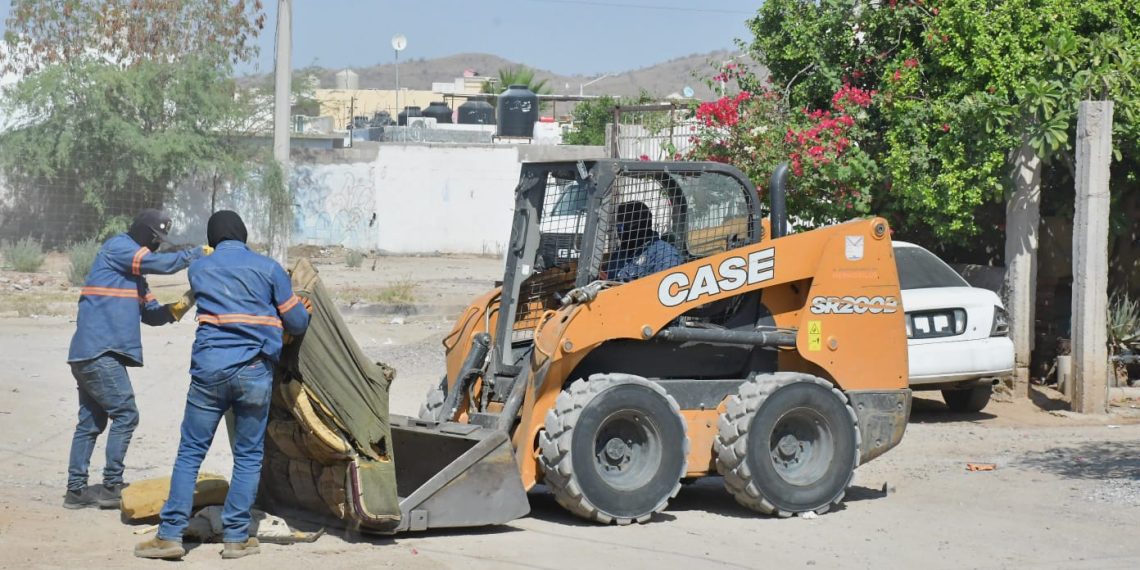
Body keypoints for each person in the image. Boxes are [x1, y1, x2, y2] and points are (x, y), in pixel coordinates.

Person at [135, 211, 310, 561]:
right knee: (247, 456)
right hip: (254, 372)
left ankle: (169, 536)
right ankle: (236, 538)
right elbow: (296, 321)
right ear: (243, 235)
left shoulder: (200, 270)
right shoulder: (269, 268)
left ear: (213, 240)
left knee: (190, 452)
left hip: (209, 372)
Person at [65, 209, 207, 510]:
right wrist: (191, 255)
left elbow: (151, 315)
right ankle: (111, 486)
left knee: (91, 421)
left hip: (91, 353)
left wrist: (180, 305)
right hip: (98, 351)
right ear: (144, 232)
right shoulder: (118, 248)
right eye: (156, 238)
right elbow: (156, 263)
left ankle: (75, 492)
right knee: (127, 414)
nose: (156, 245)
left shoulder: (135, 275)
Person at [603, 200, 683, 282]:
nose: (619, 231)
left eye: (622, 226)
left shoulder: (664, 255)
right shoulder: (621, 252)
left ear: (639, 225)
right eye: (618, 226)